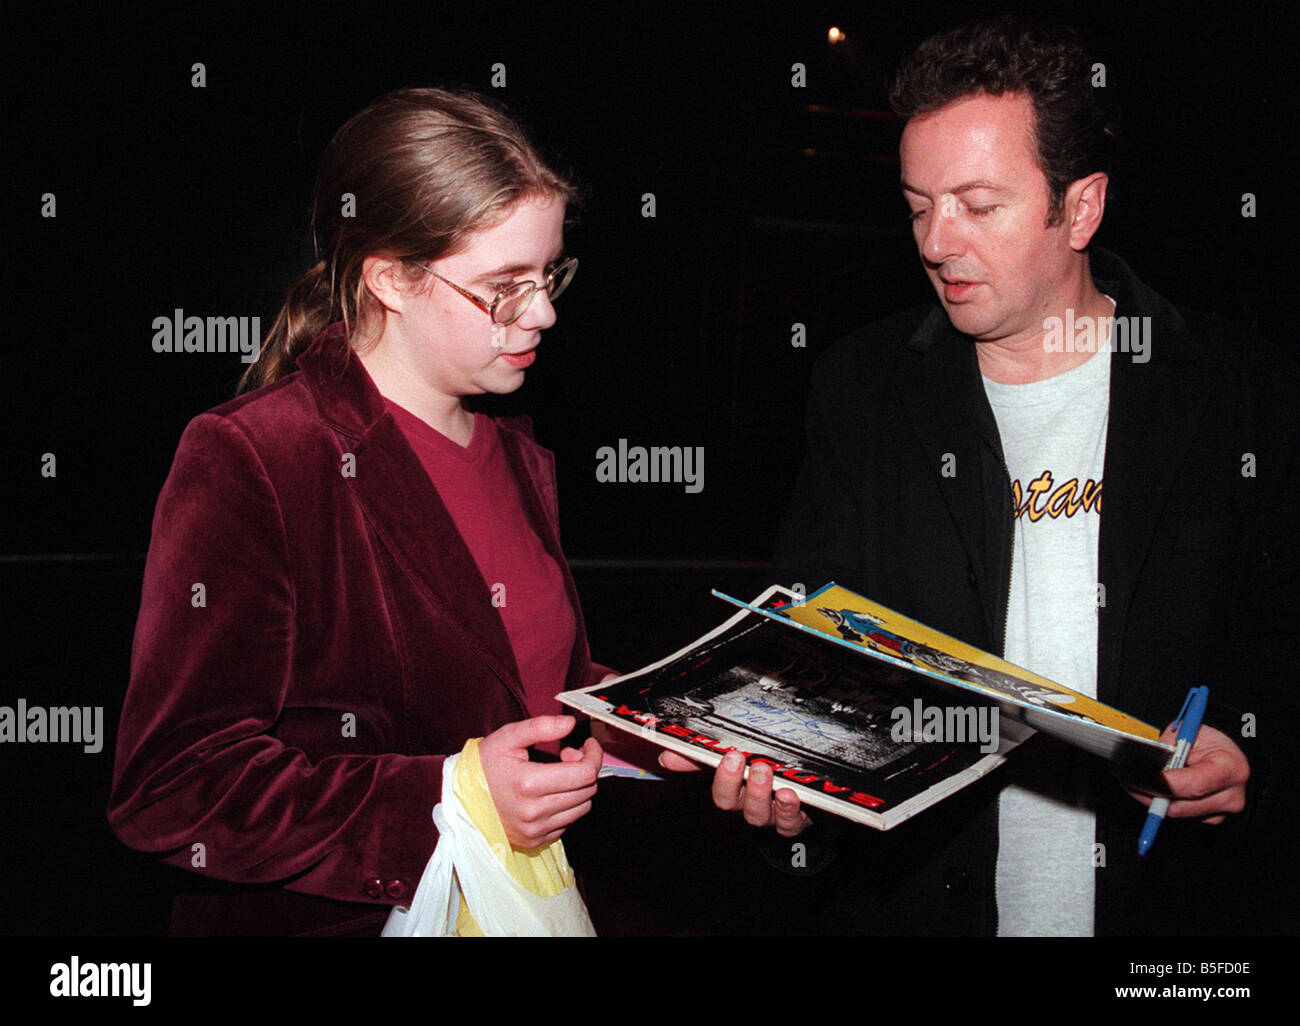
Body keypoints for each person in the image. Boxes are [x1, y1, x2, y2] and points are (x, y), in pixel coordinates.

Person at [665, 19, 1299, 935]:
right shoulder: (861, 389)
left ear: (1080, 209)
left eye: (976, 204)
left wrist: (1250, 745)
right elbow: (808, 633)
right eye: (919, 205)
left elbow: (1284, 637)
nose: (935, 241)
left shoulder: (1240, 390)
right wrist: (797, 790)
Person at [108, 87, 612, 936]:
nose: (545, 312)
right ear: (390, 278)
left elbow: (525, 687)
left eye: (550, 273)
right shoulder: (258, 457)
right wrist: (446, 796)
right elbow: (173, 786)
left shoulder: (516, 456)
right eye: (504, 286)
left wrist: (674, 732)